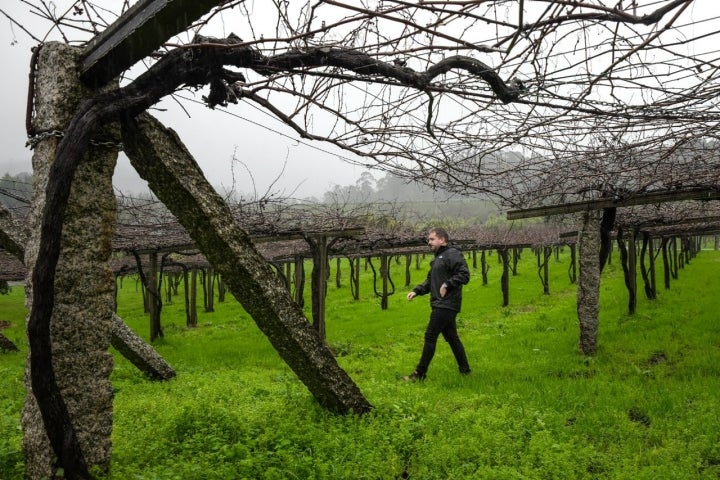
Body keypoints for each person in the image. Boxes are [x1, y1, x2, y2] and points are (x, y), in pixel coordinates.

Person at [403, 227, 471, 381]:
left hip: (446, 304)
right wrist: (417, 291)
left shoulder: (452, 254)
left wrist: (448, 284)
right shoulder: (437, 259)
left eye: (432, 239)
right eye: (428, 240)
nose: (429, 242)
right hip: (440, 303)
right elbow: (430, 281)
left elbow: (464, 274)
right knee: (452, 337)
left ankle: (419, 374)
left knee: (430, 335)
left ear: (442, 240)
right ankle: (465, 371)